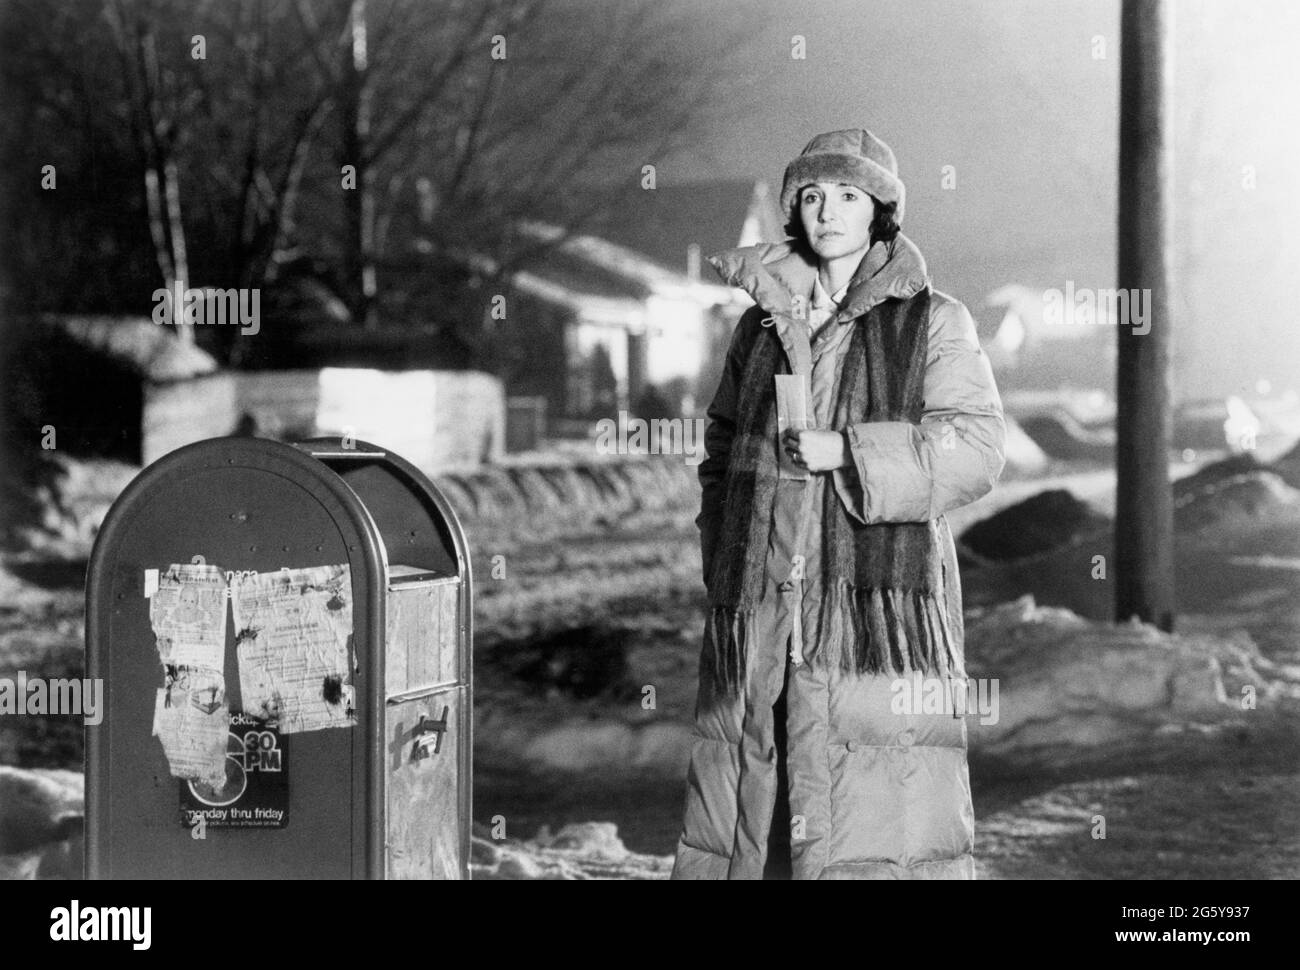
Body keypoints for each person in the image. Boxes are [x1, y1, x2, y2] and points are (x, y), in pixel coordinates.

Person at [670, 129, 1007, 879]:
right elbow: (722, 452)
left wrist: (849, 452)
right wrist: (728, 559)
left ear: (880, 209)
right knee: (757, 825)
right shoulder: (758, 327)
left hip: (873, 622)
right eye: (812, 196)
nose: (827, 212)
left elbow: (977, 450)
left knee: (873, 824)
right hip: (762, 618)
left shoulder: (933, 321)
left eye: (848, 196)